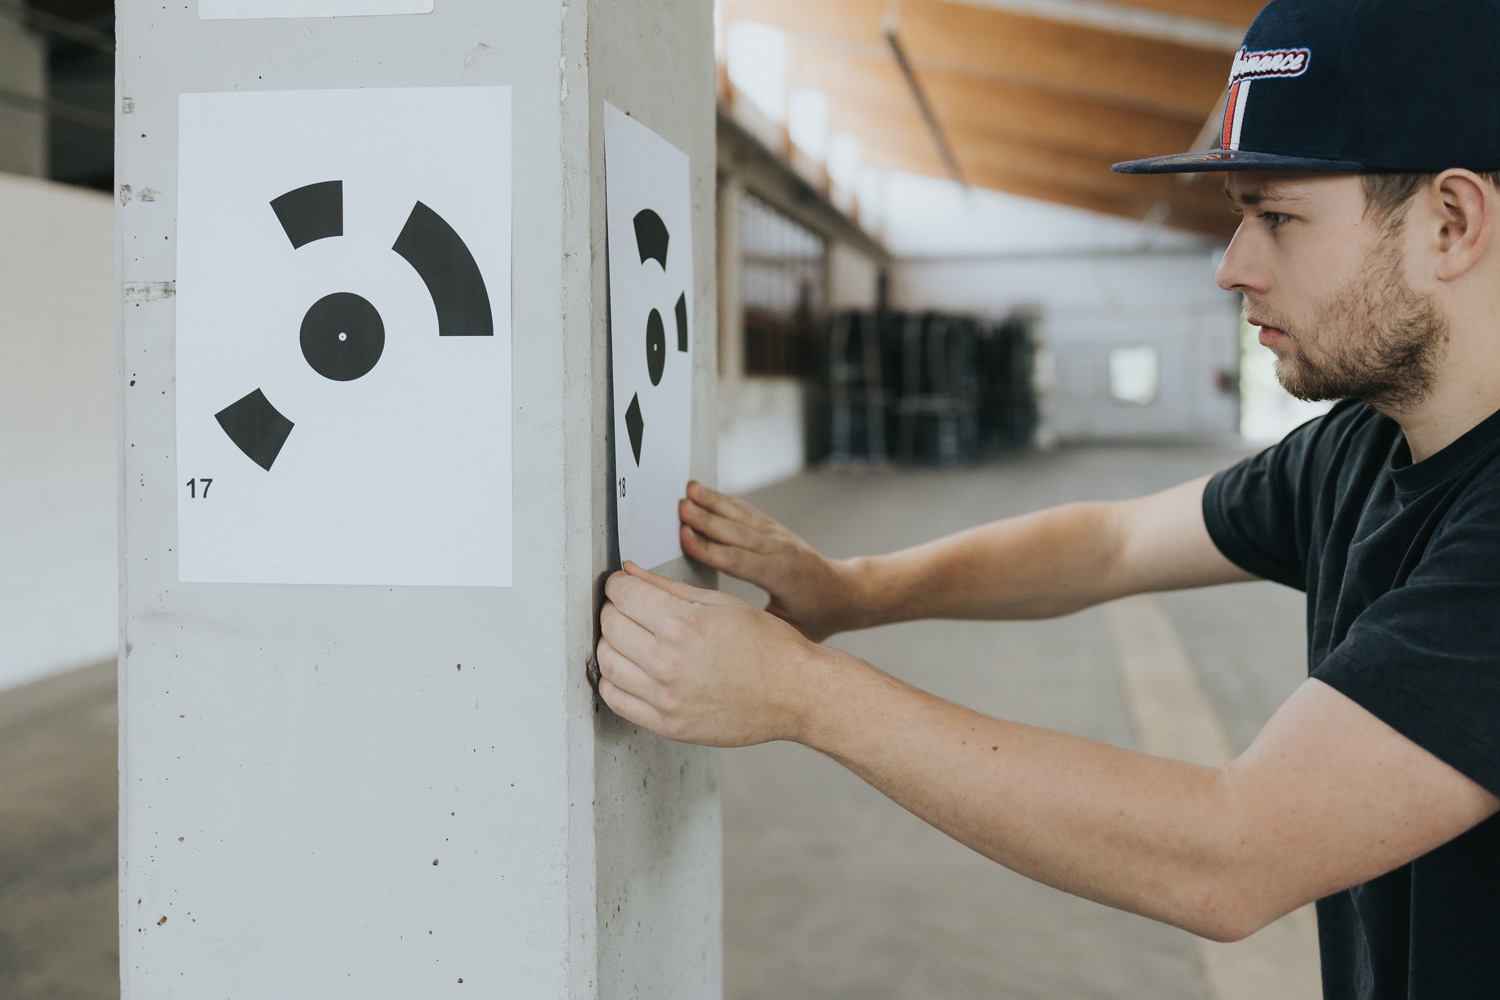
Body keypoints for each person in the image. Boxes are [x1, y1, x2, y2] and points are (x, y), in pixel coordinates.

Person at [595, 1, 1500, 996]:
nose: (1232, 265)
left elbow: (1234, 849)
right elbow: (1112, 542)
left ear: (1451, 222)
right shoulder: (1361, 449)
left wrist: (803, 694)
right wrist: (855, 589)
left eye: (1276, 215)